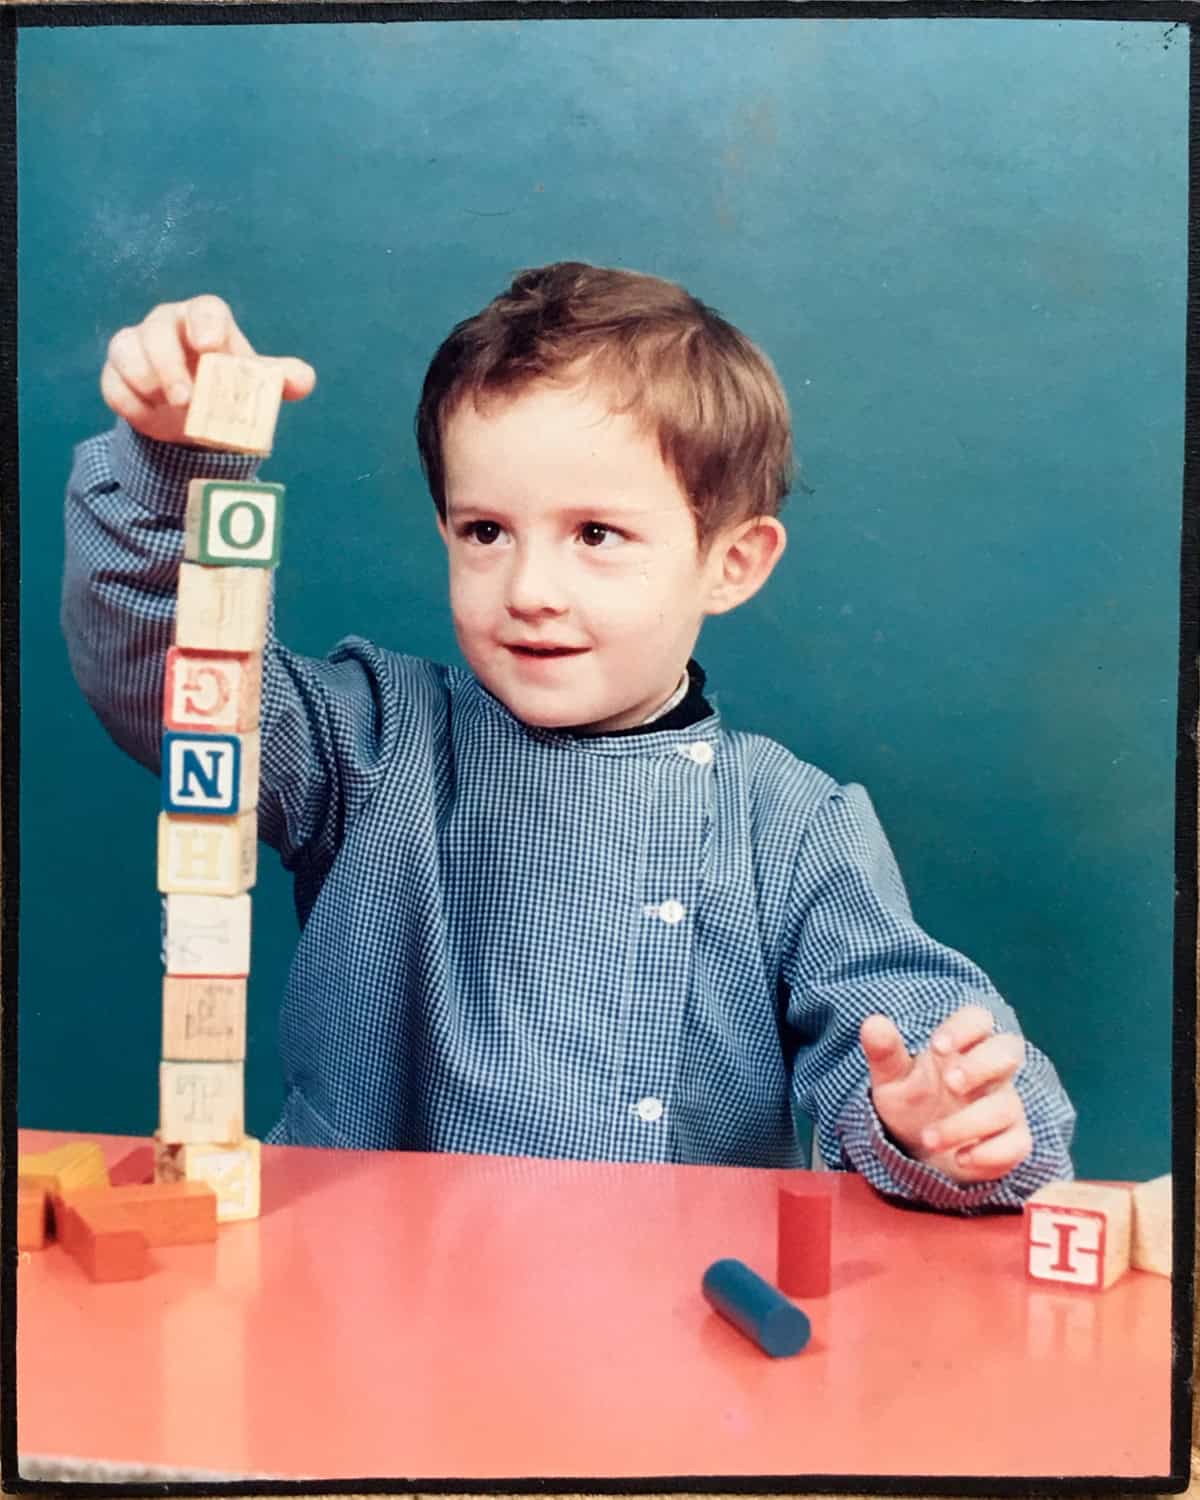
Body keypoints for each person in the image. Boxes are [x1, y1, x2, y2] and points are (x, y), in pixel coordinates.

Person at [62, 264, 1076, 1211]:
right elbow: (177, 673)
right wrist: (172, 464)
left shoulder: (793, 823)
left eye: (595, 535)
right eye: (485, 532)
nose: (530, 590)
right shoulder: (369, 742)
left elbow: (906, 1028)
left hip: (674, 1313)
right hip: (356, 1286)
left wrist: (945, 1119)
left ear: (731, 562)